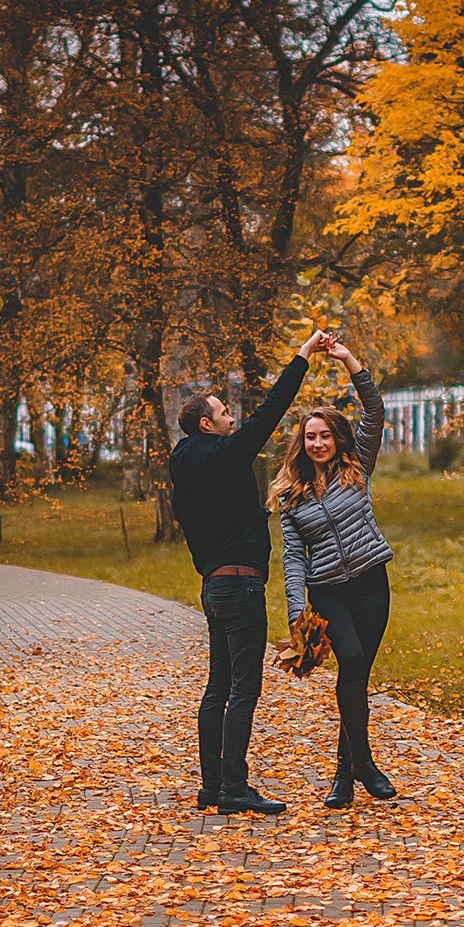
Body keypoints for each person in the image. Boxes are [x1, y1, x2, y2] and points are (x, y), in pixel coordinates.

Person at [170, 328, 332, 815]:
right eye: (223, 413)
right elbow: (270, 412)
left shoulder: (187, 469)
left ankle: (211, 786)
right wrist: (302, 357)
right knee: (243, 686)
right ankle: (234, 788)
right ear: (205, 425)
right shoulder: (223, 455)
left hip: (214, 586)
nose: (233, 418)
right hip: (240, 587)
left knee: (218, 685)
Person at [272, 338, 398, 808]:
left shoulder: (357, 467)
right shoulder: (290, 494)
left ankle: (344, 776)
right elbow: (292, 557)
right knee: (348, 661)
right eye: (310, 437)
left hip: (370, 583)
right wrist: (294, 611)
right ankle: (365, 763)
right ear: (301, 443)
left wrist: (348, 358)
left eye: (325, 435)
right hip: (328, 592)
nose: (318, 443)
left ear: (337, 439)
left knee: (358, 675)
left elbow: (375, 411)